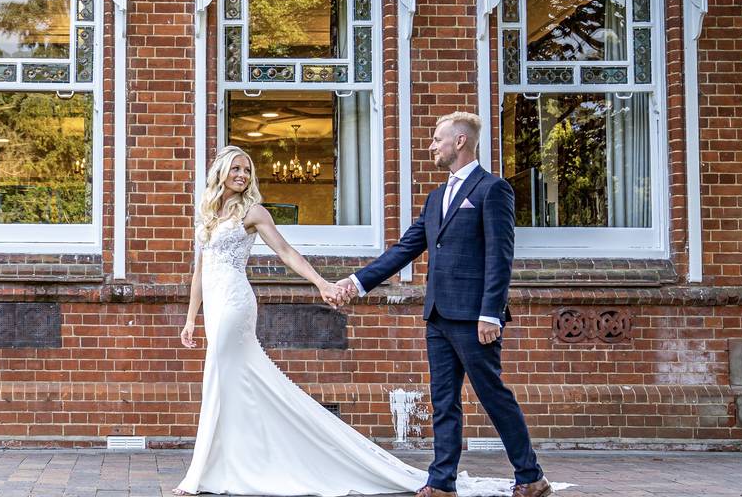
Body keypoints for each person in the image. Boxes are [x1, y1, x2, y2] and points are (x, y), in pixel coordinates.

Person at [174, 145, 515, 497]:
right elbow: (200, 271)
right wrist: (190, 320)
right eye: (236, 169)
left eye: (247, 170)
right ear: (221, 172)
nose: (243, 176)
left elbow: (287, 252)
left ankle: (199, 473)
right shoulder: (207, 214)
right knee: (230, 380)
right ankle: (230, 463)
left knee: (218, 373)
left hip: (234, 302)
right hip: (213, 305)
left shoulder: (253, 212)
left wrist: (322, 283)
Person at [336, 112, 553, 497]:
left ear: (459, 142)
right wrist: (355, 283)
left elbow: (500, 256)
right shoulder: (436, 198)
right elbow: (405, 249)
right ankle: (441, 481)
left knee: (493, 396)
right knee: (444, 401)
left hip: (474, 318)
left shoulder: (493, 190)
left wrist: (491, 313)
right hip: (437, 314)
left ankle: (531, 476)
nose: (431, 146)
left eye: (437, 140)